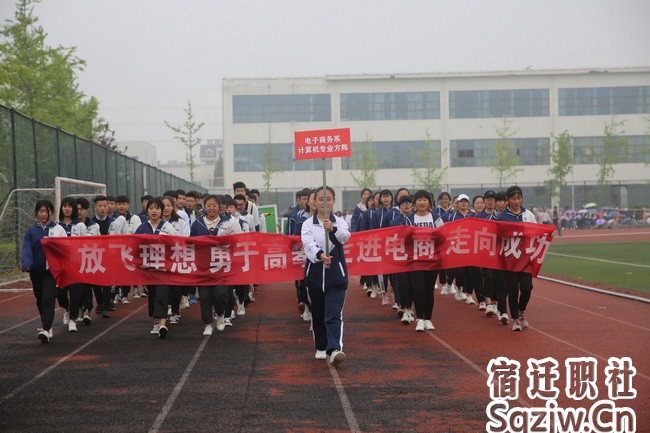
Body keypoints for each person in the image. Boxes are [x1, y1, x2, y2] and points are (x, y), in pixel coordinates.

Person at [301, 186, 351, 365]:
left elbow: (345, 237)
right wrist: (320, 255)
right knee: (318, 313)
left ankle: (335, 348)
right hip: (314, 276)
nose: (324, 202)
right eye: (321, 199)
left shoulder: (339, 221)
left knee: (333, 314)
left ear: (333, 201)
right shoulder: (308, 224)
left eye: (328, 199)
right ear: (314, 202)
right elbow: (308, 244)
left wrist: (333, 229)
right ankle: (321, 346)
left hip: (336, 276)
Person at [190, 194, 242, 336]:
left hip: (222, 266)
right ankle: (207, 324)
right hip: (204, 267)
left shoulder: (228, 223)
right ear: (204, 207)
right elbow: (191, 243)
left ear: (220, 207)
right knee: (205, 296)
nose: (211, 208)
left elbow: (237, 241)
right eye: (209, 205)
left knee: (220, 294)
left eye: (214, 205)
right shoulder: (197, 223)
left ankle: (220, 314)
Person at [21, 199, 67, 343]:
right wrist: (27, 264)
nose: (44, 214)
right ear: (36, 213)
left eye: (46, 211)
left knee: (48, 298)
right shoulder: (31, 231)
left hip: (51, 271)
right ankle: (46, 324)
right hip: (35, 271)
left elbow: (65, 248)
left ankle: (46, 329)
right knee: (40, 298)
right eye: (41, 211)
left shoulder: (58, 229)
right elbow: (26, 249)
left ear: (51, 213)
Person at [134, 197, 178, 338]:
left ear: (161, 210)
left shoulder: (167, 226)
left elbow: (176, 243)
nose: (154, 211)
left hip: (164, 268)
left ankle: (162, 324)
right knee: (152, 295)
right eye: (151, 208)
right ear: (147, 211)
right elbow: (134, 246)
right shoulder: (142, 227)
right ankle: (155, 322)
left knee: (162, 294)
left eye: (157, 208)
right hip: (148, 269)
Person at [496, 185, 539, 331]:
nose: (516, 201)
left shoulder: (529, 215)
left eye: (519, 198)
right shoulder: (502, 217)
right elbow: (497, 237)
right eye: (513, 198)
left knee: (527, 288)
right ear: (508, 200)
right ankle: (515, 318)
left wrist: (548, 234)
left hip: (525, 259)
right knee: (513, 290)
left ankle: (521, 311)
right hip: (510, 260)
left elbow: (537, 232)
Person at [57, 197, 88, 332]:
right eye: (65, 206)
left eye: (70, 206)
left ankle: (72, 320)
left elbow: (85, 245)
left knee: (75, 293)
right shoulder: (56, 226)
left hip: (76, 265)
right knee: (60, 293)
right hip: (60, 266)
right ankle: (67, 309)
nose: (67, 209)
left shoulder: (80, 226)